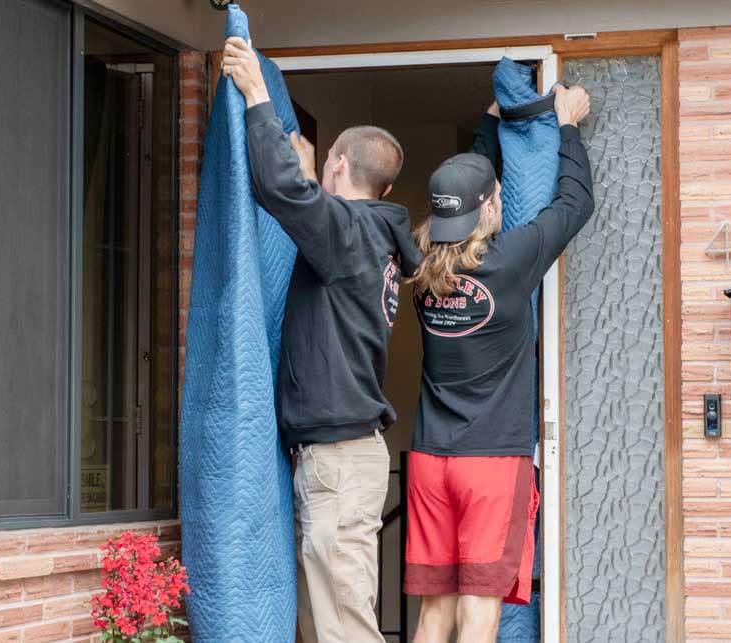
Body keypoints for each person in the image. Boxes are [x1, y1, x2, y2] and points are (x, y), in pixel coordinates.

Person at [222, 37, 422, 643]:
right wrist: (312, 181)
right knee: (328, 618)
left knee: (345, 626)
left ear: (337, 164)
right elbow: (310, 206)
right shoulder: (375, 237)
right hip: (342, 456)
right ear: (386, 190)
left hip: (337, 461)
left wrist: (258, 95)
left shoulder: (351, 233)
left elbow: (286, 193)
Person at [404, 84, 594, 643]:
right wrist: (567, 126)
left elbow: (461, 198)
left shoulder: (418, 268)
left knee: (434, 612)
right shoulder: (510, 260)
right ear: (490, 205)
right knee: (479, 609)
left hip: (429, 462)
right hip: (490, 464)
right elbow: (574, 204)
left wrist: (486, 127)